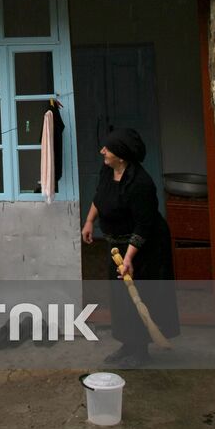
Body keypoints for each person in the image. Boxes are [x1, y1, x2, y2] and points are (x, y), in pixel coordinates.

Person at [81, 128, 179, 367]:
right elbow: (99, 197)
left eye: (108, 148)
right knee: (120, 296)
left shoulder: (140, 184)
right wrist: (90, 221)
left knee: (142, 295)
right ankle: (128, 343)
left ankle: (140, 350)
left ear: (122, 156)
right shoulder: (108, 170)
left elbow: (144, 226)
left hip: (145, 247)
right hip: (117, 245)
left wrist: (129, 259)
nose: (102, 151)